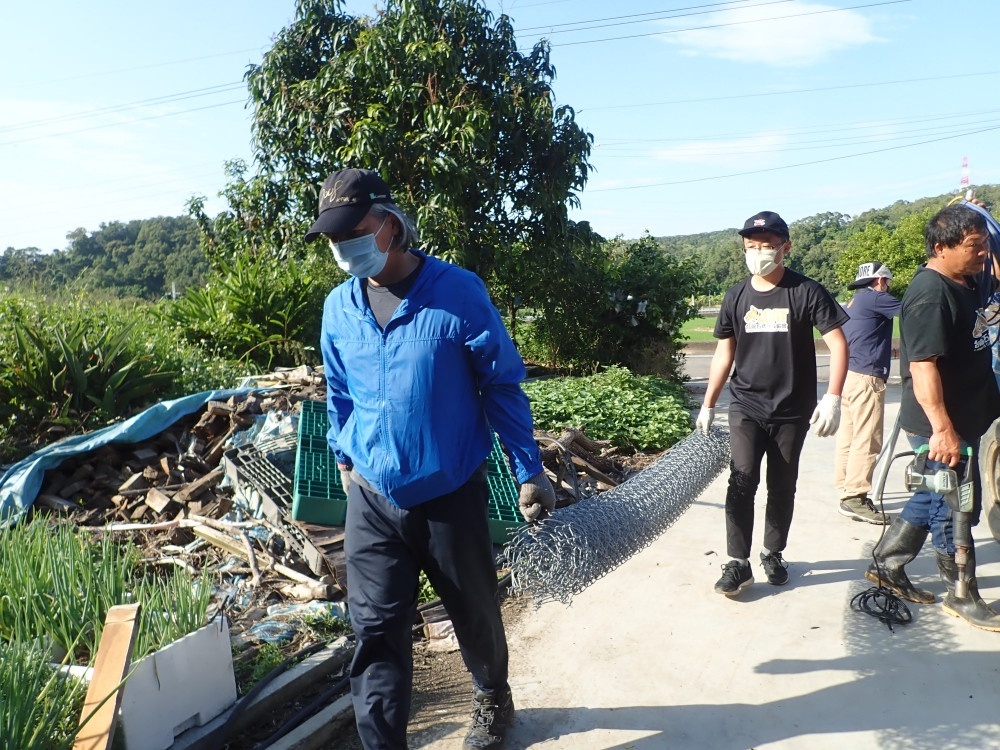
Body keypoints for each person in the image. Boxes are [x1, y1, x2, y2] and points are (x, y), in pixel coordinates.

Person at [306, 167, 557, 749]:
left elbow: (501, 384)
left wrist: (529, 469)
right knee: (374, 633)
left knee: (473, 614)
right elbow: (337, 391)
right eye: (333, 237)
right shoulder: (338, 308)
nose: (344, 247)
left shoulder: (457, 292)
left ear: (391, 227)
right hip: (370, 497)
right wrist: (345, 459)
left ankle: (493, 695)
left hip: (448, 491)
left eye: (355, 231)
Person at [697, 210, 849, 596]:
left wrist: (833, 398)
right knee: (741, 481)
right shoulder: (736, 295)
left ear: (785, 247)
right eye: (751, 246)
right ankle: (737, 563)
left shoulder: (806, 291)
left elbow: (838, 343)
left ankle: (772, 553)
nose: (759, 252)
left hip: (792, 410)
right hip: (746, 406)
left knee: (782, 485)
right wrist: (709, 403)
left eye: (767, 246)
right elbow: (723, 354)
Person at [864, 204, 1000, 630]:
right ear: (941, 248)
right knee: (957, 505)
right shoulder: (930, 294)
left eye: (985, 246)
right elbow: (922, 367)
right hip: (940, 426)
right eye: (975, 247)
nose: (982, 255)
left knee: (931, 495)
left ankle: (887, 562)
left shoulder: (967, 279)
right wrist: (943, 430)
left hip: (968, 416)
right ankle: (961, 592)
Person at [834, 261, 900, 524]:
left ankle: (845, 491)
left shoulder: (855, 302)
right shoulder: (877, 298)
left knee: (848, 438)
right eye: (888, 283)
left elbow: (866, 337)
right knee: (868, 438)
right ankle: (856, 497)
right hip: (867, 379)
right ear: (881, 281)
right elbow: (916, 310)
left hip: (849, 376)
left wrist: (892, 352)